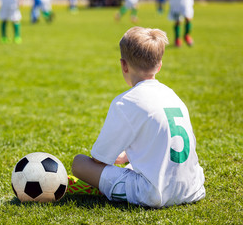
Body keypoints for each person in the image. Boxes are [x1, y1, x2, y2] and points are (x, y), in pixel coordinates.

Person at [68, 27, 206, 208]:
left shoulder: (125, 102)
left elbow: (98, 160)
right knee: (133, 166)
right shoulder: (173, 95)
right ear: (159, 65)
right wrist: (126, 156)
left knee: (79, 163)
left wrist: (111, 159)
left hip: (153, 194)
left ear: (123, 65)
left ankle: (104, 188)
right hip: (192, 187)